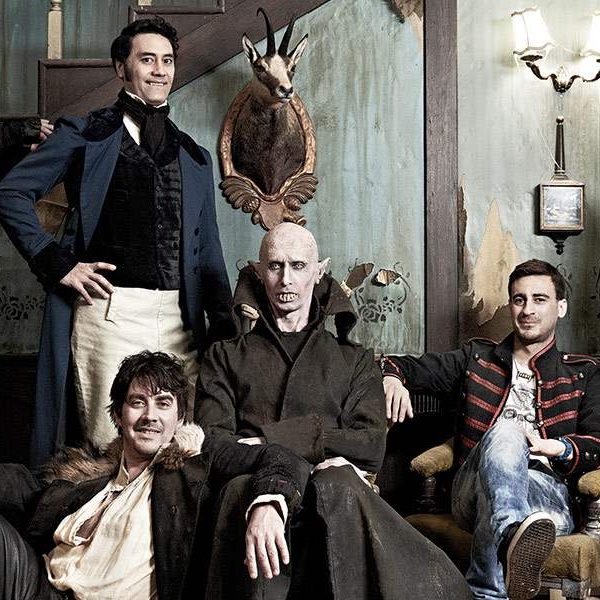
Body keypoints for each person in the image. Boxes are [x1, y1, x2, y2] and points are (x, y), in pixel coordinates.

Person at [195, 222, 472, 600]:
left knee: (337, 484)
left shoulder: (354, 359)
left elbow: (370, 445)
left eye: (298, 266)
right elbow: (213, 445)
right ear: (259, 273)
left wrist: (265, 439)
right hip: (249, 492)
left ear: (319, 271)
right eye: (275, 266)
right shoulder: (224, 356)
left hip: (333, 502)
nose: (286, 279)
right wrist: (278, 478)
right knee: (242, 491)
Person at [0, 17, 232, 465]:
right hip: (109, 315)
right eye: (147, 59)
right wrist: (59, 263)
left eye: (167, 61)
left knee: (180, 453)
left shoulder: (195, 156)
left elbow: (208, 251)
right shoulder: (84, 135)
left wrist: (223, 327)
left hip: (180, 320)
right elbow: (11, 193)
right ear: (121, 68)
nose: (160, 70)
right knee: (113, 452)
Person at [0, 350, 311, 600]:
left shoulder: (195, 465)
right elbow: (22, 485)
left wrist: (268, 504)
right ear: (118, 415)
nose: (150, 416)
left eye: (163, 404)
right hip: (42, 586)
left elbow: (283, 458)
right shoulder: (94, 477)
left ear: (180, 417)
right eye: (138, 402)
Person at [381, 258, 600, 600]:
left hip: (547, 502)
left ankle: (489, 588)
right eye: (519, 299)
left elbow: (597, 442)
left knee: (495, 498)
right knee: (507, 431)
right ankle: (512, 534)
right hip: (472, 487)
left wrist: (560, 447)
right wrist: (391, 378)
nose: (527, 310)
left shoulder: (584, 373)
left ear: (561, 307)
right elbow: (401, 364)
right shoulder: (477, 358)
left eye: (539, 299)